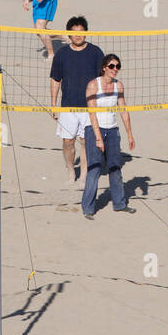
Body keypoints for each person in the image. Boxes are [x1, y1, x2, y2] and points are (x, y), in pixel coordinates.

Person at [50, 18, 105, 183]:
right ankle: (70, 170)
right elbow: (55, 80)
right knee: (68, 142)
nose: (78, 36)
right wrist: (53, 105)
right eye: (74, 33)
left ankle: (83, 174)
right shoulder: (62, 54)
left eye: (81, 32)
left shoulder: (96, 52)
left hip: (90, 106)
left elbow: (103, 79)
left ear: (85, 33)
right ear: (69, 34)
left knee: (86, 141)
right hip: (68, 106)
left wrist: (103, 103)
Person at [82, 54, 135, 218]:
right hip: (94, 129)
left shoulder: (118, 86)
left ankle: (119, 204)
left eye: (118, 66)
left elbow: (123, 111)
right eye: (112, 66)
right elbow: (92, 114)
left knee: (115, 168)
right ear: (104, 67)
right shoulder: (93, 85)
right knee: (95, 169)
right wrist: (98, 137)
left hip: (112, 130)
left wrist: (130, 135)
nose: (115, 69)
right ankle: (88, 208)